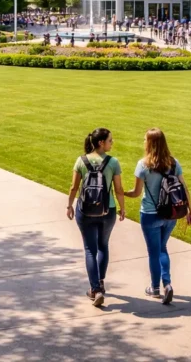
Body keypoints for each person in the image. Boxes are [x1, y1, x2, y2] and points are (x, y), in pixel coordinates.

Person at [124, 128, 191, 305]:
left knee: (154, 252)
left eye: (145, 139)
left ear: (150, 143)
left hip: (150, 214)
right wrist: (189, 211)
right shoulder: (173, 163)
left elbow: (136, 192)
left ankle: (155, 288)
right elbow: (184, 189)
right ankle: (167, 284)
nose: (143, 142)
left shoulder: (143, 165)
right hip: (171, 214)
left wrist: (121, 192)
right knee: (163, 248)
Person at [66, 127, 125, 307]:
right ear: (101, 143)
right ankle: (100, 282)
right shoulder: (113, 162)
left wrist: (69, 205)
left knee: (90, 249)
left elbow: (74, 188)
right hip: (108, 210)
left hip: (85, 211)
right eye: (110, 140)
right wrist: (122, 208)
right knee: (103, 246)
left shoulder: (81, 160)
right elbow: (119, 190)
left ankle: (95, 290)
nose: (112, 143)